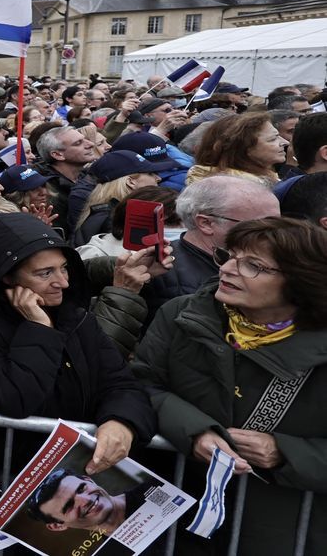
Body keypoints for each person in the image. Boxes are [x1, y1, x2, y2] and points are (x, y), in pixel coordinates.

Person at [132, 216, 327, 553]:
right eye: (229, 255)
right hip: (177, 514)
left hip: (283, 528)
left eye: (253, 265)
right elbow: (139, 384)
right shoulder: (182, 315)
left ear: (300, 282)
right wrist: (195, 431)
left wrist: (286, 452)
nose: (228, 269)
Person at [0, 213, 157, 476]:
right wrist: (38, 328)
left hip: (80, 470)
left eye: (64, 268)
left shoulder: (74, 315)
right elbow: (13, 398)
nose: (63, 282)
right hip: (8, 475)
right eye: (45, 273)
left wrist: (121, 421)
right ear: (7, 277)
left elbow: (120, 383)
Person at [72, 151, 163, 246]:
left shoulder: (108, 214)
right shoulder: (114, 220)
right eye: (150, 173)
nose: (158, 178)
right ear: (131, 182)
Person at [25, 469, 145, 535]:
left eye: (81, 488)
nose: (86, 500)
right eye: (69, 505)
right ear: (57, 526)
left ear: (89, 480)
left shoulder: (157, 488)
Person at [185, 111, 288, 186]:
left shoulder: (262, 178)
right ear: (243, 148)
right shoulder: (243, 188)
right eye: (272, 139)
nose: (285, 142)